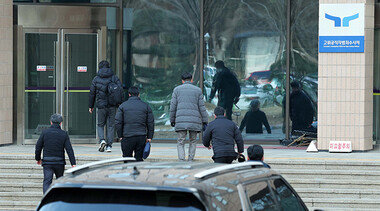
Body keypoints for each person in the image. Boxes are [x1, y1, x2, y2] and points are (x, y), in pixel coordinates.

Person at [170, 72, 208, 161]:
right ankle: (190, 159)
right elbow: (202, 107)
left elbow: (173, 106)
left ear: (182, 81)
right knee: (193, 141)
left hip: (181, 120)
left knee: (180, 141)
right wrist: (205, 120)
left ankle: (181, 160)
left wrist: (172, 119)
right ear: (191, 80)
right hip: (194, 120)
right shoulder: (198, 90)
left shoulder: (177, 90)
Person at [35, 114, 76, 193]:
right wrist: (73, 163)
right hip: (59, 162)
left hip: (47, 162)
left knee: (47, 181)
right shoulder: (64, 134)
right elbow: (69, 149)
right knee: (60, 181)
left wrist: (38, 158)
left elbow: (38, 146)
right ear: (60, 123)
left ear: (51, 122)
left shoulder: (45, 133)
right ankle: (58, 199)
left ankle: (46, 201)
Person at [89, 60, 123, 153]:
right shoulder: (114, 78)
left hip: (101, 106)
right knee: (111, 125)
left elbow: (92, 93)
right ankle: (109, 146)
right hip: (112, 106)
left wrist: (90, 106)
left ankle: (102, 140)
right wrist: (119, 102)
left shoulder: (96, 79)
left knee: (100, 124)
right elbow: (120, 90)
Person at [115, 86, 154, 161]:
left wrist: (120, 135)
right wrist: (149, 137)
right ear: (139, 94)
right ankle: (138, 172)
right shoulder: (146, 106)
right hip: (141, 136)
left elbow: (118, 122)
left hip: (127, 136)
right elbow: (150, 123)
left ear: (129, 94)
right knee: (139, 159)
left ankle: (128, 172)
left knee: (127, 158)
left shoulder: (123, 106)